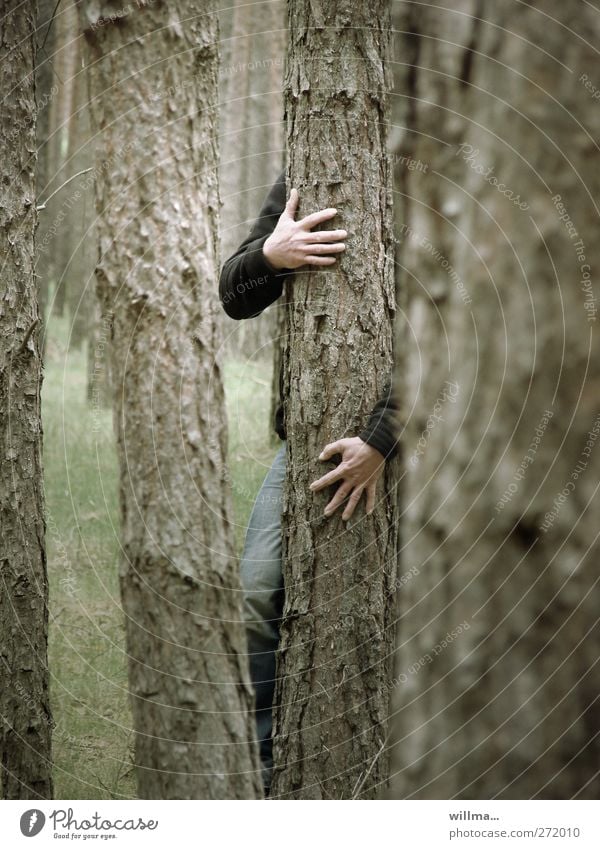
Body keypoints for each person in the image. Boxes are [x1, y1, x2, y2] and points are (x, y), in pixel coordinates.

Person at [219, 171, 399, 793]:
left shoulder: (456, 156)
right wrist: (271, 256)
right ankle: (267, 783)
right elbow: (234, 292)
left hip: (445, 438)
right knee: (256, 589)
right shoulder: (306, 166)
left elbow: (471, 319)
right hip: (312, 443)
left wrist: (383, 438)